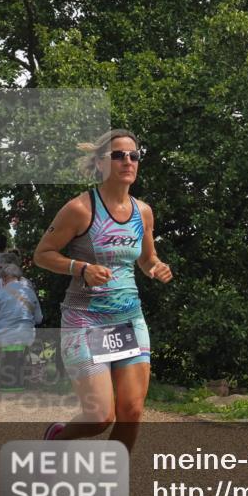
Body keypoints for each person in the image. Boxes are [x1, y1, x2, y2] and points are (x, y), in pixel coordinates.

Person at [33, 129, 172, 469]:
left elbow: (145, 257)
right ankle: (58, 437)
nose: (128, 161)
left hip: (127, 320)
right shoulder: (80, 209)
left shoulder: (143, 213)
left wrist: (156, 266)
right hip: (85, 321)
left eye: (133, 156)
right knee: (99, 416)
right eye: (118, 155)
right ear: (100, 163)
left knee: (131, 412)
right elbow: (42, 254)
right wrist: (80, 267)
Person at [0, 262, 43, 390]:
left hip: (3, 336)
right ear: (19, 278)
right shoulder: (30, 293)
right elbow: (39, 319)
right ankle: (34, 376)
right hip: (27, 336)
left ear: (3, 279)